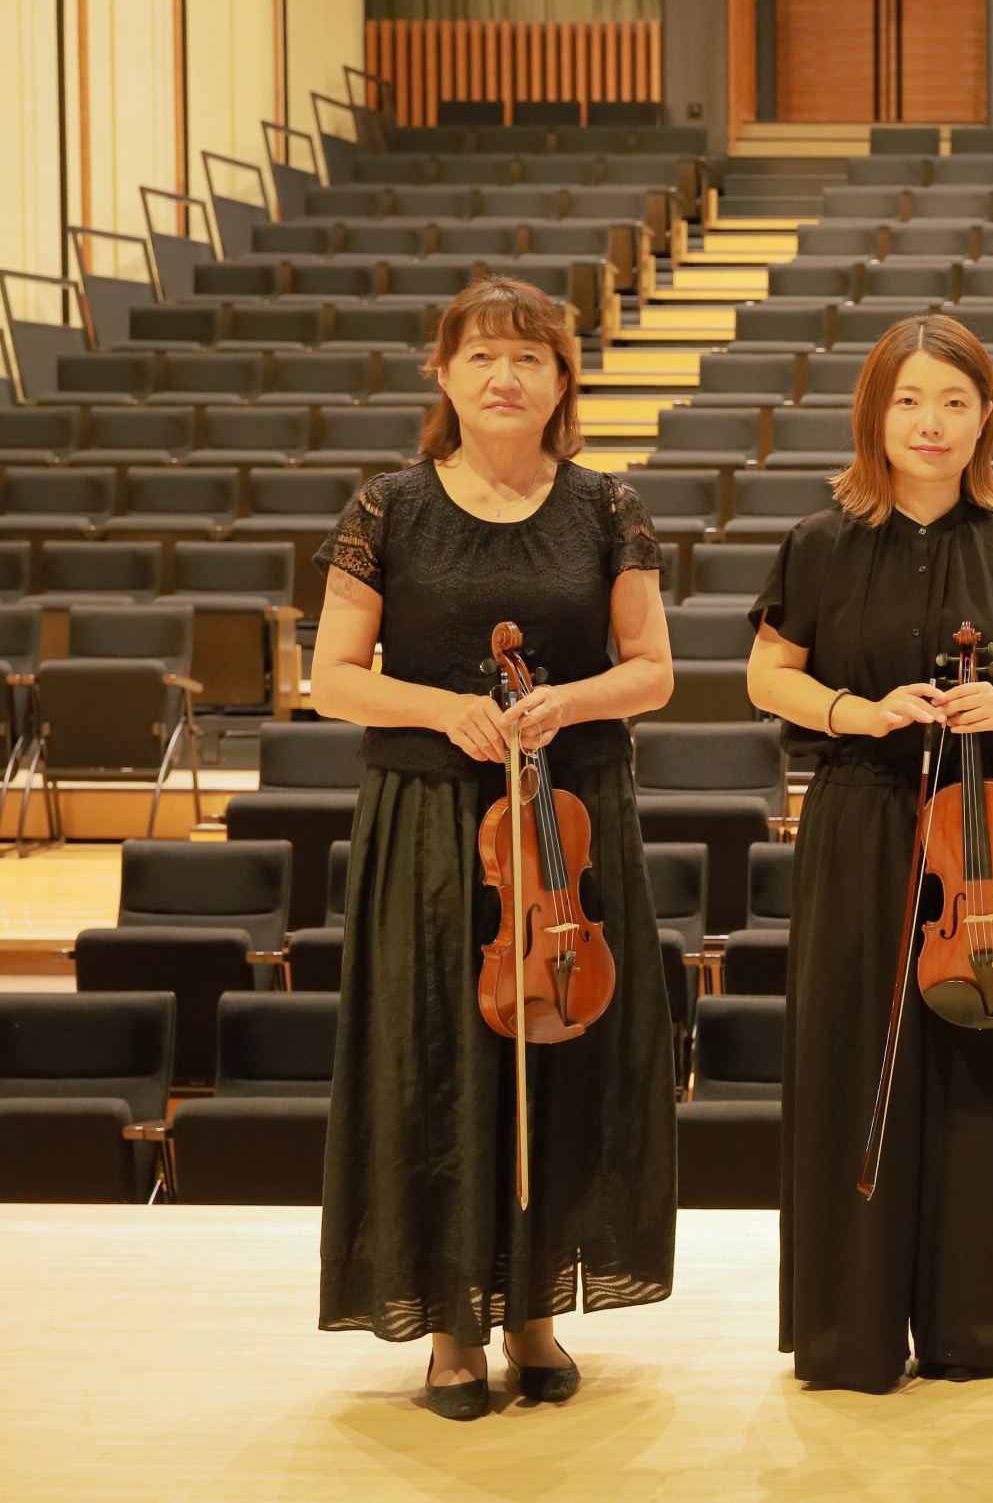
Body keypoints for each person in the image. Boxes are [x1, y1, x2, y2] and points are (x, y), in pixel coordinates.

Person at [309, 275, 677, 1422]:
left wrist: (566, 701)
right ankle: (451, 1325)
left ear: (563, 379)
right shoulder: (388, 506)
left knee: (561, 1056)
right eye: (480, 355)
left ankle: (535, 1311)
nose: (504, 376)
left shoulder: (607, 504)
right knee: (435, 1061)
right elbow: (332, 679)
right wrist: (443, 708)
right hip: (430, 816)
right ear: (443, 373)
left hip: (568, 818)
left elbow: (652, 670)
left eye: (528, 356)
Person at [745, 314, 993, 1394]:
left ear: (985, 418)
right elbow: (768, 676)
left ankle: (980, 1321)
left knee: (978, 1050)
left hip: (979, 833)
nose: (931, 422)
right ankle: (853, 1327)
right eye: (910, 400)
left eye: (954, 402)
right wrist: (856, 709)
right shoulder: (820, 541)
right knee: (856, 1056)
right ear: (875, 414)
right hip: (861, 815)